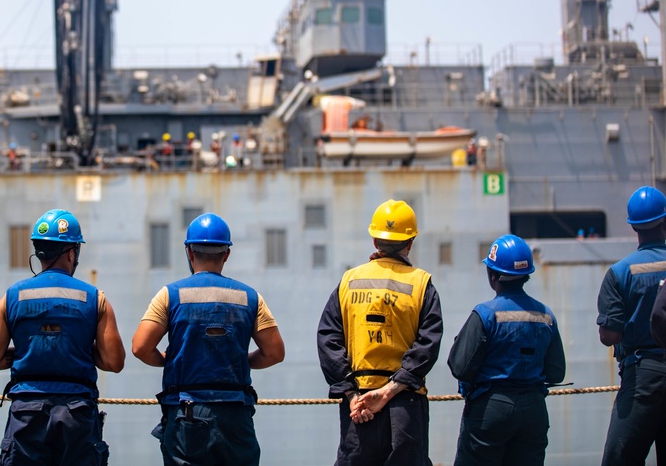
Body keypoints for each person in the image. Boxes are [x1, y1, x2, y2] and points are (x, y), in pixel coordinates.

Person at [132, 212, 285, 466]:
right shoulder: (250, 297)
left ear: (189, 252)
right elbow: (274, 353)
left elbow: (140, 347)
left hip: (187, 416)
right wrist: (242, 360)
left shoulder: (169, 295)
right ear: (226, 254)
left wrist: (170, 360)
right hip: (235, 416)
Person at [0, 209, 125, 465]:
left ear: (39, 253)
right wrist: (76, 349)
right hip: (77, 415)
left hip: (27, 415)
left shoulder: (12, 296)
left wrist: (27, 352)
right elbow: (114, 362)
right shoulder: (95, 298)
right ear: (71, 253)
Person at [316, 198, 443, 466]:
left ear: (375, 241)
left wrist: (351, 395)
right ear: (410, 242)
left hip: (359, 407)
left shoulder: (349, 281)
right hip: (405, 404)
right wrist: (389, 391)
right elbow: (428, 344)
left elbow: (328, 338)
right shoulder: (421, 284)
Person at [447, 235, 566, 466]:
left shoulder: (485, 314)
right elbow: (556, 373)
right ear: (526, 276)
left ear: (493, 275)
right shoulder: (546, 316)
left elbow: (460, 367)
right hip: (534, 411)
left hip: (491, 410)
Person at [597, 185, 666, 465]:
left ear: (634, 227)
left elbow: (609, 335)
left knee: (620, 457)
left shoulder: (619, 273)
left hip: (643, 377)